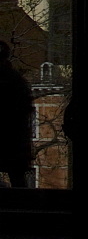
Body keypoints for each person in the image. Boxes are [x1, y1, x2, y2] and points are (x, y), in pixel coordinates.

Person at [0, 40, 32, 188]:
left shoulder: (15, 81)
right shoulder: (17, 81)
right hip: (15, 141)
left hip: (13, 139)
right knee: (18, 179)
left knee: (17, 178)